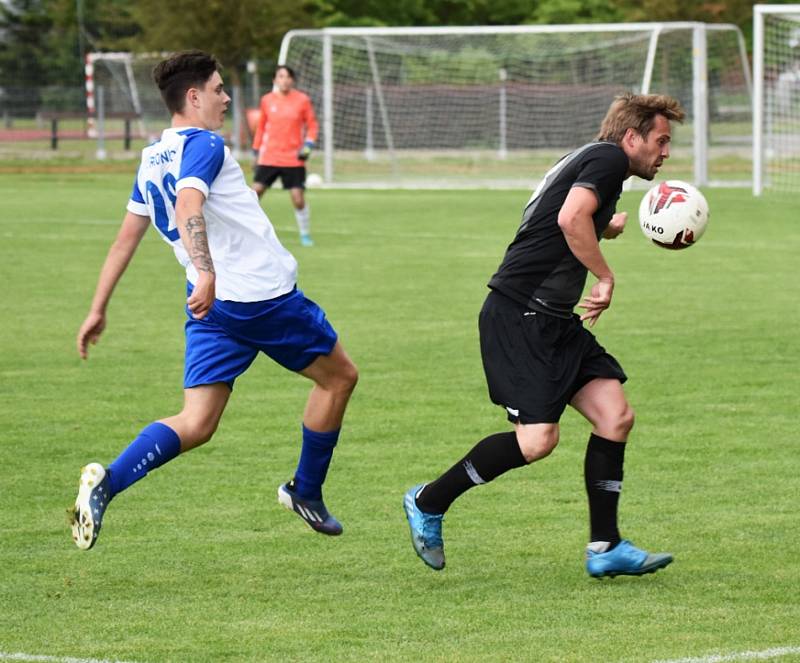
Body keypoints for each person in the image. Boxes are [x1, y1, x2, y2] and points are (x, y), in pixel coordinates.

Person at [70, 51, 358, 551]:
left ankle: (107, 483)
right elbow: (188, 204)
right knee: (339, 379)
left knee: (196, 422)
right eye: (219, 89)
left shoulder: (150, 158)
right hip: (260, 297)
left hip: (211, 307)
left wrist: (98, 308)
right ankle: (304, 491)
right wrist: (207, 270)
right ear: (193, 96)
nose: (226, 98)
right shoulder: (204, 144)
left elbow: (125, 239)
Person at [403, 93, 685, 578]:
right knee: (536, 441)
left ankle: (605, 546)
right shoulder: (609, 158)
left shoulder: (593, 160)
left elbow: (567, 217)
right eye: (661, 141)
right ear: (631, 137)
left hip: (552, 320)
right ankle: (428, 500)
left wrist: (605, 226)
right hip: (519, 315)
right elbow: (568, 218)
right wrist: (605, 276)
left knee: (615, 416)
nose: (665, 152)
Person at [251, 65, 318, 247]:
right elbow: (261, 127)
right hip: (270, 157)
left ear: (292, 80)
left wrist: (308, 145)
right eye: (280, 76)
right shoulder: (267, 100)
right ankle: (248, 232)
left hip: (293, 159)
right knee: (253, 195)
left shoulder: (302, 100)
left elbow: (312, 125)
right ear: (274, 80)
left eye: (288, 77)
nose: (284, 80)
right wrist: (256, 152)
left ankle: (305, 234)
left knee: (297, 198)